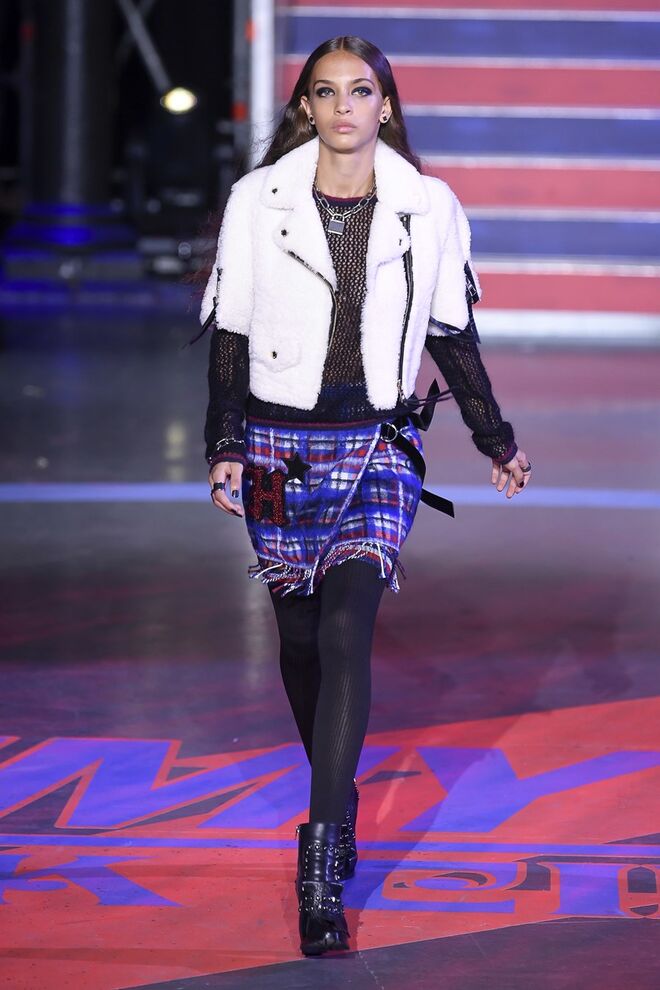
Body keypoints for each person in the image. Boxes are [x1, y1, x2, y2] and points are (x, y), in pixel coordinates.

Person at [197, 36, 531, 957]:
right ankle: (337, 796)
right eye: (325, 92)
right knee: (300, 642)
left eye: (361, 91)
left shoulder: (429, 205)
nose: (344, 107)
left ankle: (318, 863)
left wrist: (495, 437)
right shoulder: (257, 201)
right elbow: (229, 335)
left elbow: (452, 332)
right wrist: (225, 446)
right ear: (304, 106)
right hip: (276, 447)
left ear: (386, 104)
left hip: (380, 441)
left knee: (347, 627)